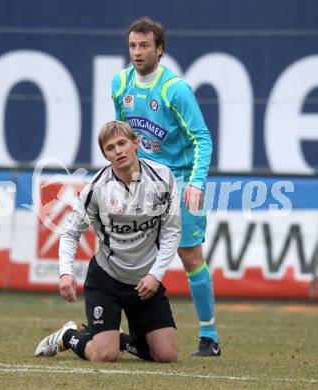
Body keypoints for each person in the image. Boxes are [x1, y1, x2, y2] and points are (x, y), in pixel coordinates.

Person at [111, 17, 220, 356]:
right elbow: (122, 135)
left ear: (160, 49)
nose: (137, 52)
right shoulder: (119, 84)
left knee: (190, 256)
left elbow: (202, 136)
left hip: (182, 180)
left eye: (144, 46)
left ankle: (209, 335)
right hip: (144, 182)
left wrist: (197, 182)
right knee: (133, 255)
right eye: (132, 45)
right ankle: (140, 333)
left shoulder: (175, 89)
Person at [35, 120, 180, 363]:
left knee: (166, 356)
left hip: (146, 283)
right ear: (105, 155)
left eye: (122, 143)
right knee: (104, 355)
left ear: (136, 143)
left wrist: (155, 275)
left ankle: (117, 337)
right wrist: (65, 273)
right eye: (110, 148)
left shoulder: (163, 178)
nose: (118, 151)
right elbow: (70, 232)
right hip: (107, 281)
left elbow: (172, 232)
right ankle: (70, 335)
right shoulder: (97, 188)